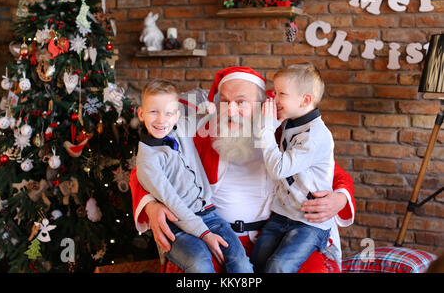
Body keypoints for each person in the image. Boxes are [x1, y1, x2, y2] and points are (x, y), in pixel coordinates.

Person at [130, 66, 355, 273]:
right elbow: (148, 164)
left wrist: (339, 199)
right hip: (216, 237)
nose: (231, 111)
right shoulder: (201, 134)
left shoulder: (281, 135)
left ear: (261, 105)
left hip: (275, 236)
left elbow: (332, 173)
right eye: (225, 102)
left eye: (241, 102)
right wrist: (151, 205)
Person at [134, 79, 253, 273]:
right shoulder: (147, 161)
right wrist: (205, 234)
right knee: (200, 263)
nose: (161, 119)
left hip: (210, 214)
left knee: (241, 264)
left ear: (177, 116)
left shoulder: (180, 127)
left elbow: (205, 118)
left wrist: (211, 109)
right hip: (177, 225)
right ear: (141, 113)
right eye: (153, 111)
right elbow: (173, 203)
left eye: (168, 113)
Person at [251, 64, 335, 273]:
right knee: (257, 260)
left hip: (309, 222)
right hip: (283, 213)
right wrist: (276, 124)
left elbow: (278, 169)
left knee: (279, 266)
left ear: (305, 100)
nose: (274, 98)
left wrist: (267, 129)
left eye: (282, 94)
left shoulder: (315, 135)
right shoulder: (292, 122)